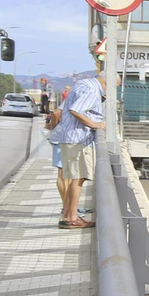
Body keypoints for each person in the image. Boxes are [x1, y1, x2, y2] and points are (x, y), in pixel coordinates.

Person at [58, 65, 105, 229]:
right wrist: (95, 124)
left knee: (75, 178)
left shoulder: (83, 84)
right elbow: (76, 110)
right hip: (78, 138)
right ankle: (71, 218)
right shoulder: (93, 90)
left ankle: (67, 215)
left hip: (69, 137)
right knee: (78, 178)